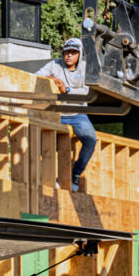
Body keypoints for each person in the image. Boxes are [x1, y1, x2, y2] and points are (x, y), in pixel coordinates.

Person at [35, 38, 97, 190]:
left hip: (77, 113)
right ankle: (46, 177)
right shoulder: (54, 65)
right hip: (56, 113)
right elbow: (35, 75)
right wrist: (46, 78)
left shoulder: (85, 68)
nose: (69, 56)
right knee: (43, 142)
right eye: (66, 52)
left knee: (90, 140)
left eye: (73, 53)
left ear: (80, 54)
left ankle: (75, 175)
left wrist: (67, 89)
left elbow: (86, 92)